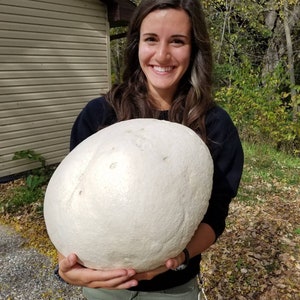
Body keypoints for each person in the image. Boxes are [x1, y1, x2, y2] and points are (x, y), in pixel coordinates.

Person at [55, 0, 244, 299]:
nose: (162, 55)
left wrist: (178, 258)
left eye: (178, 41)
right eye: (151, 39)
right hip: (103, 288)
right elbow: (71, 205)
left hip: (173, 288)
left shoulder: (215, 126)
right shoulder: (99, 115)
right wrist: (66, 265)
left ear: (194, 48)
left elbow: (215, 216)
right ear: (136, 45)